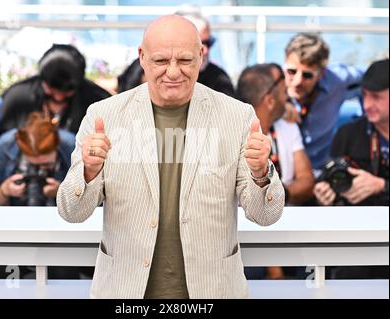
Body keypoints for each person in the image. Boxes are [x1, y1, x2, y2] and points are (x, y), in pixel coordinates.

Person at [57, 15, 284, 299]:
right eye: (161, 61)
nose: (174, 72)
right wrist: (88, 172)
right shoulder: (104, 116)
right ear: (141, 57)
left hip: (214, 292)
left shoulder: (238, 117)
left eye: (185, 61)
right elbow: (71, 212)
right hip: (123, 292)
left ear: (202, 56)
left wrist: (261, 173)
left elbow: (265, 215)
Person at [237, 63, 314, 280]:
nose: (288, 93)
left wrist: (278, 196)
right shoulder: (235, 135)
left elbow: (307, 182)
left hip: (288, 233)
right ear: (270, 100)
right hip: (247, 241)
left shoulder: (287, 127)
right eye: (282, 87)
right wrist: (275, 270)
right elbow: (247, 204)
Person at [0, 112, 86, 280]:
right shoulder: (6, 145)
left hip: (60, 229)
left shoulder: (71, 145)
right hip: (13, 227)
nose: (39, 171)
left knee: (63, 274)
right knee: (4, 272)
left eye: (46, 165)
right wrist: (4, 191)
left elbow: (93, 198)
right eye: (32, 165)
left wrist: (62, 192)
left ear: (56, 147)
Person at [314, 59, 389, 280]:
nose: (366, 105)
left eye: (376, 97)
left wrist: (381, 186)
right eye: (364, 95)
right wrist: (325, 193)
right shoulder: (348, 134)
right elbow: (329, 179)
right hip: (357, 244)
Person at [283, 33, 364, 175]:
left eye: (307, 75)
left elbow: (372, 78)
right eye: (291, 71)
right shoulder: (272, 87)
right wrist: (280, 105)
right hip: (283, 175)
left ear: (321, 74)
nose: (297, 81)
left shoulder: (338, 80)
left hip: (321, 172)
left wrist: (368, 124)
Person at [0, 44, 111, 135]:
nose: (58, 97)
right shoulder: (18, 96)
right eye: (52, 90)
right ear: (43, 80)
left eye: (67, 91)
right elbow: (4, 143)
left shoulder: (99, 100)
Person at [176, 9, 235, 97]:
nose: (206, 51)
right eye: (198, 44)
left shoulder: (219, 79)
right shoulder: (153, 76)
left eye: (209, 42)